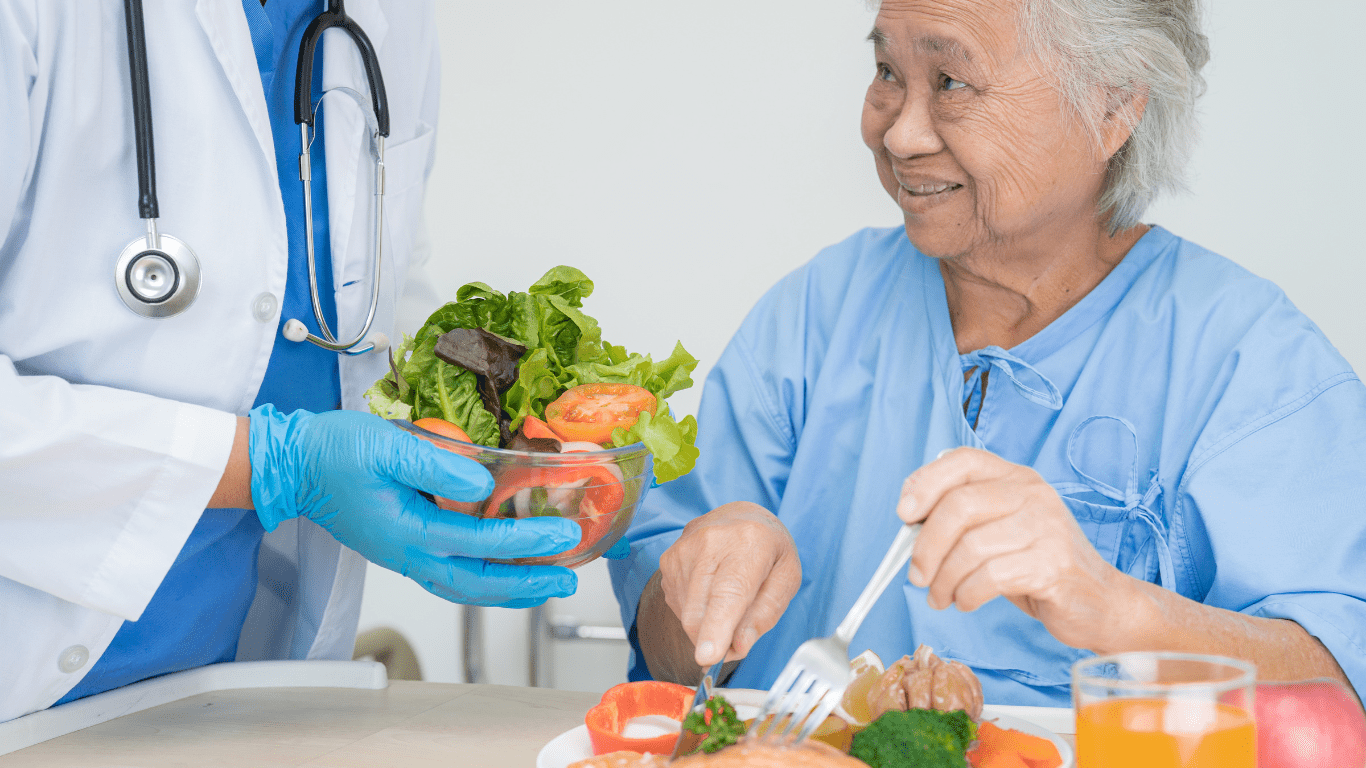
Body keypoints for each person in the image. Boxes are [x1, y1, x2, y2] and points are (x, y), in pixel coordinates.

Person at [610, 0, 1366, 707]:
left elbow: (1339, 686)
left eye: (951, 82)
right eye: (887, 72)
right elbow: (671, 659)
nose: (900, 135)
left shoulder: (1250, 362)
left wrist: (1117, 609)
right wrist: (698, 595)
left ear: (1113, 108)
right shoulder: (815, 312)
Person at [0, 0, 584, 722]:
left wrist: (488, 439)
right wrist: (275, 464)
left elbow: (380, 281)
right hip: (24, 671)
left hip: (242, 680)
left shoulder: (390, 17)